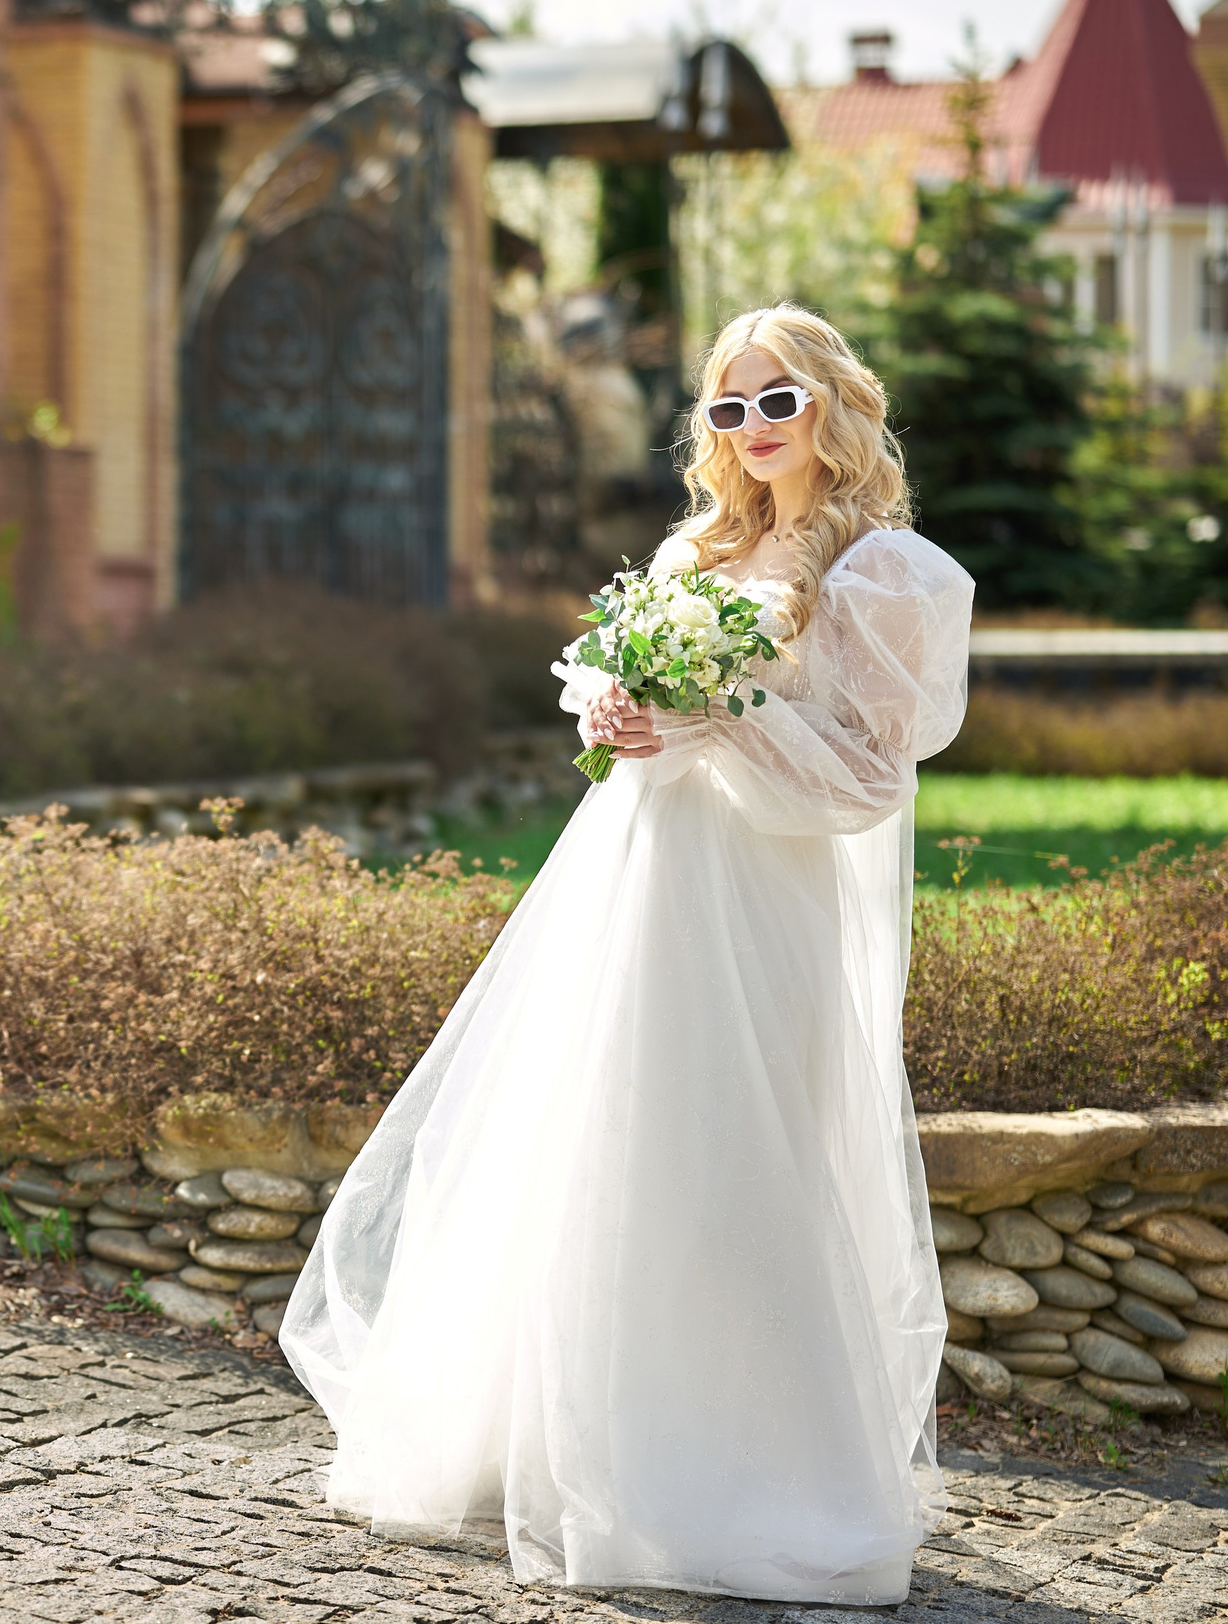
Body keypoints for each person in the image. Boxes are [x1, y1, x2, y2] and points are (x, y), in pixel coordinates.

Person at [280, 303, 973, 1604]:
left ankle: (760, 1473)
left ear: (835, 402)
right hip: (639, 878)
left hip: (761, 890)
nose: (756, 426)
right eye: (731, 405)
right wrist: (611, 699)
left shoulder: (889, 571)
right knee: (604, 1136)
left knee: (738, 1149)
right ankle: (576, 1439)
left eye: (781, 398)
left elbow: (874, 776)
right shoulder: (694, 549)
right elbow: (625, 709)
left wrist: (730, 708)